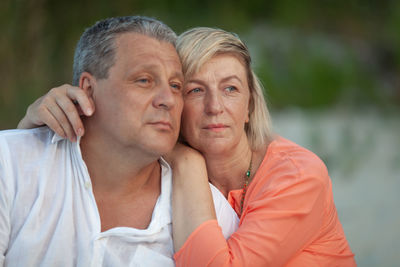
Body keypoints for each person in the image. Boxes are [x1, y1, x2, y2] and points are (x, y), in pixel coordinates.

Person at [18, 26, 356, 266]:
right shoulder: (153, 168)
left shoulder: (297, 177)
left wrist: (186, 161)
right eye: (194, 90)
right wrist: (35, 121)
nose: (214, 107)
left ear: (250, 106)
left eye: (231, 89)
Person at [0, 16, 239, 267]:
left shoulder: (210, 214)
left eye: (176, 85)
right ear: (88, 90)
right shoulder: (11, 165)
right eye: (144, 80)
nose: (167, 99)